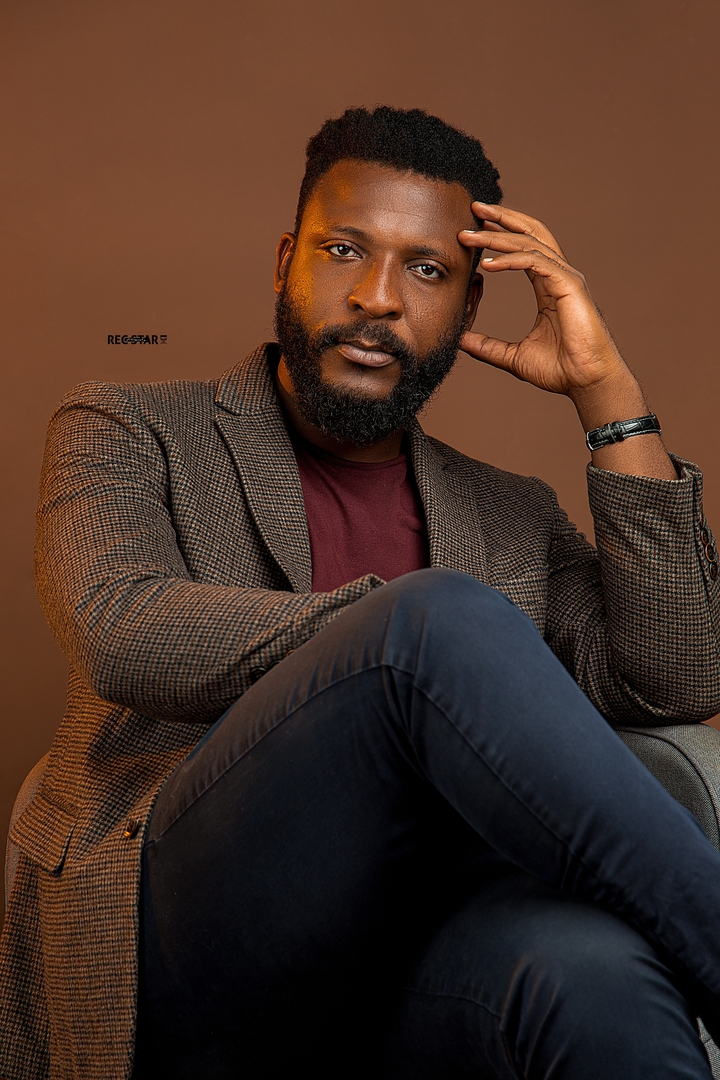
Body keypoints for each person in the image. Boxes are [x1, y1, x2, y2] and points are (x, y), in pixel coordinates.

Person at [2, 105, 720, 1080]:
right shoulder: (129, 429)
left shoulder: (511, 512)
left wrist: (609, 395)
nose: (377, 297)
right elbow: (120, 630)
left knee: (597, 975)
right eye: (344, 250)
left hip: (423, 946)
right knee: (438, 619)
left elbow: (674, 679)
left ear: (468, 305)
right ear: (285, 261)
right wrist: (397, 639)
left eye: (426, 270)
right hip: (180, 939)